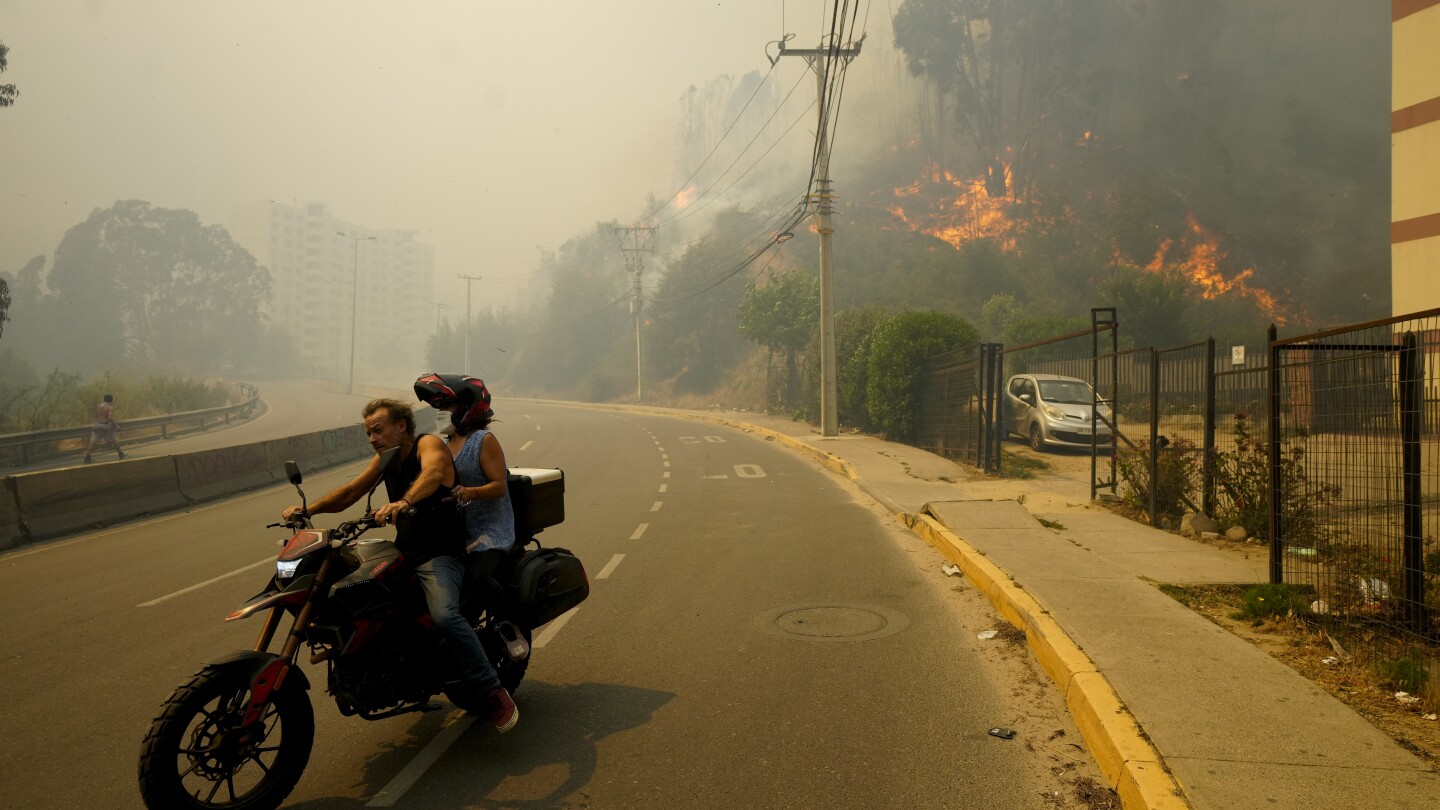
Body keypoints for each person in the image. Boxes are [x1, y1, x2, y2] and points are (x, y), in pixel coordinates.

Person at [279, 397, 517, 732]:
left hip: (440, 554)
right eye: (368, 433)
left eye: (378, 430)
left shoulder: (428, 444)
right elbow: (351, 491)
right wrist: (310, 510)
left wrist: (404, 500)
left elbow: (433, 473)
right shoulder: (386, 459)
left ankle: (492, 690)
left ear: (401, 426)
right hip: (404, 551)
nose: (372, 438)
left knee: (445, 615)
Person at [412, 374, 518, 643]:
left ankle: (510, 620)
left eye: (448, 406)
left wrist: (470, 492)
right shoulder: (444, 446)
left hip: (490, 530)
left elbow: (499, 486)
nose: (441, 413)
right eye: (438, 408)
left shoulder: (484, 440)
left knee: (476, 579)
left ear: (470, 407)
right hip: (460, 531)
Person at [84, 393, 126, 463]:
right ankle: (121, 454)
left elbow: (96, 415)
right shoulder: (110, 407)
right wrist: (116, 425)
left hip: (97, 425)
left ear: (104, 399)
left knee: (93, 440)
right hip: (105, 425)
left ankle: (87, 457)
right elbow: (109, 417)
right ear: (111, 400)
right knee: (113, 439)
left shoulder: (98, 406)